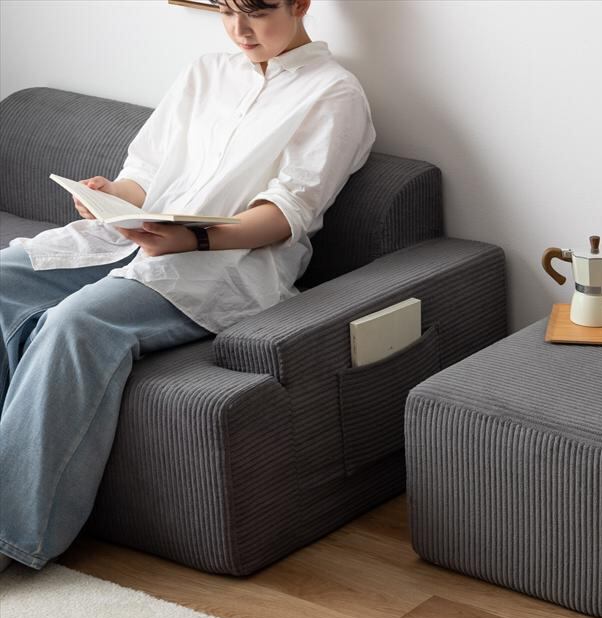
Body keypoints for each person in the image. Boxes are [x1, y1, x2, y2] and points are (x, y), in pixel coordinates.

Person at [0, 0, 376, 572]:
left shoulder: (334, 93)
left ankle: (11, 536)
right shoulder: (205, 72)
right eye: (226, 10)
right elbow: (144, 175)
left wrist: (192, 240)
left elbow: (286, 214)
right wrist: (110, 196)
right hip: (128, 238)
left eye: (257, 11)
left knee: (75, 324)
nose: (239, 29)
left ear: (301, 4)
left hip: (220, 266)